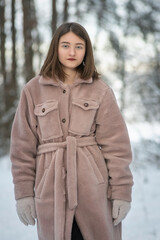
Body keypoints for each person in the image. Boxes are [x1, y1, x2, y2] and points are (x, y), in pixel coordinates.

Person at [10, 22, 133, 240]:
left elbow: (117, 147)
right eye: (65, 45)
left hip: (94, 190)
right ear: (55, 48)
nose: (72, 52)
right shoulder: (32, 90)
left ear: (87, 50)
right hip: (50, 190)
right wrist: (24, 194)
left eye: (79, 46)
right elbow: (22, 149)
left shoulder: (100, 90)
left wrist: (122, 192)